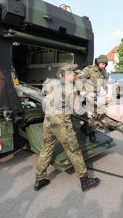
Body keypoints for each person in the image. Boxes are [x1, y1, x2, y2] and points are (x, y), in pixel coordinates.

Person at [34, 64, 101, 192]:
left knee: (46, 149)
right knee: (73, 150)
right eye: (74, 74)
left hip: (48, 121)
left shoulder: (52, 83)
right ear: (68, 74)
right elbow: (78, 109)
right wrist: (89, 113)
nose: (76, 76)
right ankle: (85, 180)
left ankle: (40, 179)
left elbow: (45, 91)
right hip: (61, 123)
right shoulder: (70, 88)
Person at [78, 55, 110, 142]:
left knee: (98, 114)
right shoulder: (89, 69)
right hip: (87, 95)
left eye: (105, 65)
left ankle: (85, 128)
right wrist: (84, 92)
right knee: (92, 115)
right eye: (102, 64)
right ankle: (92, 134)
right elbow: (78, 79)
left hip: (97, 95)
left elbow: (105, 82)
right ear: (98, 62)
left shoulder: (103, 72)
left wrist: (106, 91)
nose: (104, 66)